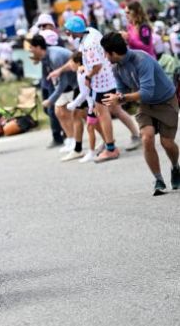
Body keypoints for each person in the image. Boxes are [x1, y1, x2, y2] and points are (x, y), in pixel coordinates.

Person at [49, 16, 140, 162]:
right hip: (107, 78)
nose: (67, 35)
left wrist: (88, 76)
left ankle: (111, 147)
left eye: (68, 31)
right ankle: (122, 138)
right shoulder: (90, 32)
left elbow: (96, 65)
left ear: (74, 31)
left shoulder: (89, 44)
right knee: (112, 110)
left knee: (103, 113)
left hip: (102, 81)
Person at [100, 32, 180, 194]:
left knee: (167, 143)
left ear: (113, 53)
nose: (105, 56)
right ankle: (158, 180)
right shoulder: (116, 68)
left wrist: (122, 97)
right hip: (145, 104)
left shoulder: (141, 60)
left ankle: (175, 167)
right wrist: (116, 98)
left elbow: (147, 92)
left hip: (166, 101)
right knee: (147, 137)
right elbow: (122, 92)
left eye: (105, 52)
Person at [29, 33, 77, 153]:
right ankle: (70, 139)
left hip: (74, 83)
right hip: (63, 85)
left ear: (39, 47)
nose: (30, 50)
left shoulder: (55, 56)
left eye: (32, 48)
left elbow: (64, 82)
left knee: (77, 114)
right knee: (59, 112)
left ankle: (77, 140)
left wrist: (51, 99)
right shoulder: (45, 55)